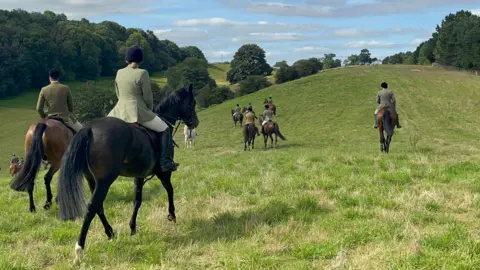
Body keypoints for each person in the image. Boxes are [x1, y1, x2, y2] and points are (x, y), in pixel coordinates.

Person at [108, 45, 178, 173]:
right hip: (137, 111)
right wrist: (149, 110)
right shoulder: (143, 73)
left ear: (127, 59)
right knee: (165, 129)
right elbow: (148, 97)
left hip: (117, 111)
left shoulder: (119, 72)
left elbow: (118, 93)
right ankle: (164, 162)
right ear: (141, 60)